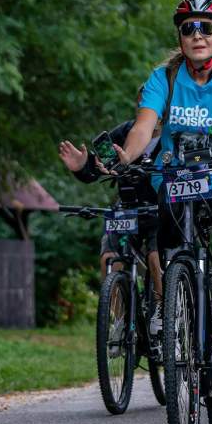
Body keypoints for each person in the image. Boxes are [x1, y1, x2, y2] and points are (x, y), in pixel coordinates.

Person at [115, 0, 212, 420]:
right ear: (180, 37)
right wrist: (128, 156)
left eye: (207, 28)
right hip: (176, 182)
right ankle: (176, 313)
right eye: (189, 28)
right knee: (171, 261)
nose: (197, 35)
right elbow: (144, 126)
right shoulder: (164, 79)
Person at [58, 88, 165, 337]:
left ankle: (162, 312)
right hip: (126, 209)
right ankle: (121, 322)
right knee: (109, 258)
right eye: (143, 105)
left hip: (160, 210)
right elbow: (98, 168)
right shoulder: (124, 133)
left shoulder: (174, 136)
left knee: (155, 256)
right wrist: (82, 167)